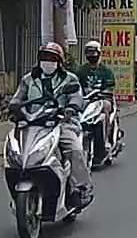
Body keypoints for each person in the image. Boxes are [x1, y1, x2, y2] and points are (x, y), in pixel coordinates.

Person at [8, 42, 92, 209]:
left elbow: (77, 97)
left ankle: (81, 188)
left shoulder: (69, 79)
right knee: (14, 150)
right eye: (45, 57)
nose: (48, 61)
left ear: (59, 62)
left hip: (61, 123)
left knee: (74, 149)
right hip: (32, 123)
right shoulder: (28, 79)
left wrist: (71, 108)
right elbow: (18, 98)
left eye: (52, 58)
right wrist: (12, 108)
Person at [75, 40, 118, 160]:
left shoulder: (106, 71)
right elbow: (75, 85)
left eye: (93, 52)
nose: (91, 55)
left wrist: (104, 92)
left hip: (102, 99)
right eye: (89, 53)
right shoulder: (81, 71)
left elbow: (110, 86)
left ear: (99, 53)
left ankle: (106, 140)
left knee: (105, 107)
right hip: (86, 100)